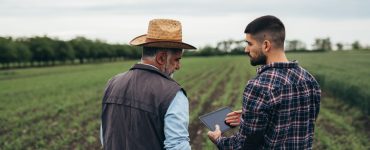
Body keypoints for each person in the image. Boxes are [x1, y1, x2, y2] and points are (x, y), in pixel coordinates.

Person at [207, 15, 321, 149]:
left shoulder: (259, 86)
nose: (246, 49)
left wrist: (218, 139)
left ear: (266, 45)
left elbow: (243, 147)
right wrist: (249, 116)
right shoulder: (310, 80)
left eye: (249, 44)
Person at [100, 19, 196, 150]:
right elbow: (178, 146)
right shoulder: (173, 93)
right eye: (177, 59)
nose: (178, 66)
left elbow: (105, 135)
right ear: (161, 58)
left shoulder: (112, 83)